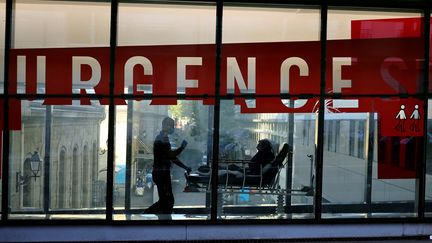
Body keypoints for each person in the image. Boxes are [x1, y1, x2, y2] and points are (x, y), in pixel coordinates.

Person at [144, 117, 191, 215]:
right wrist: (182, 148)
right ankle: (145, 214)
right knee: (167, 200)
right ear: (165, 126)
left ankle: (153, 216)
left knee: (166, 200)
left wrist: (185, 167)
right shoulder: (162, 139)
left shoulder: (162, 138)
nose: (172, 128)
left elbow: (170, 157)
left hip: (161, 173)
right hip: (162, 173)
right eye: (171, 125)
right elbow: (171, 156)